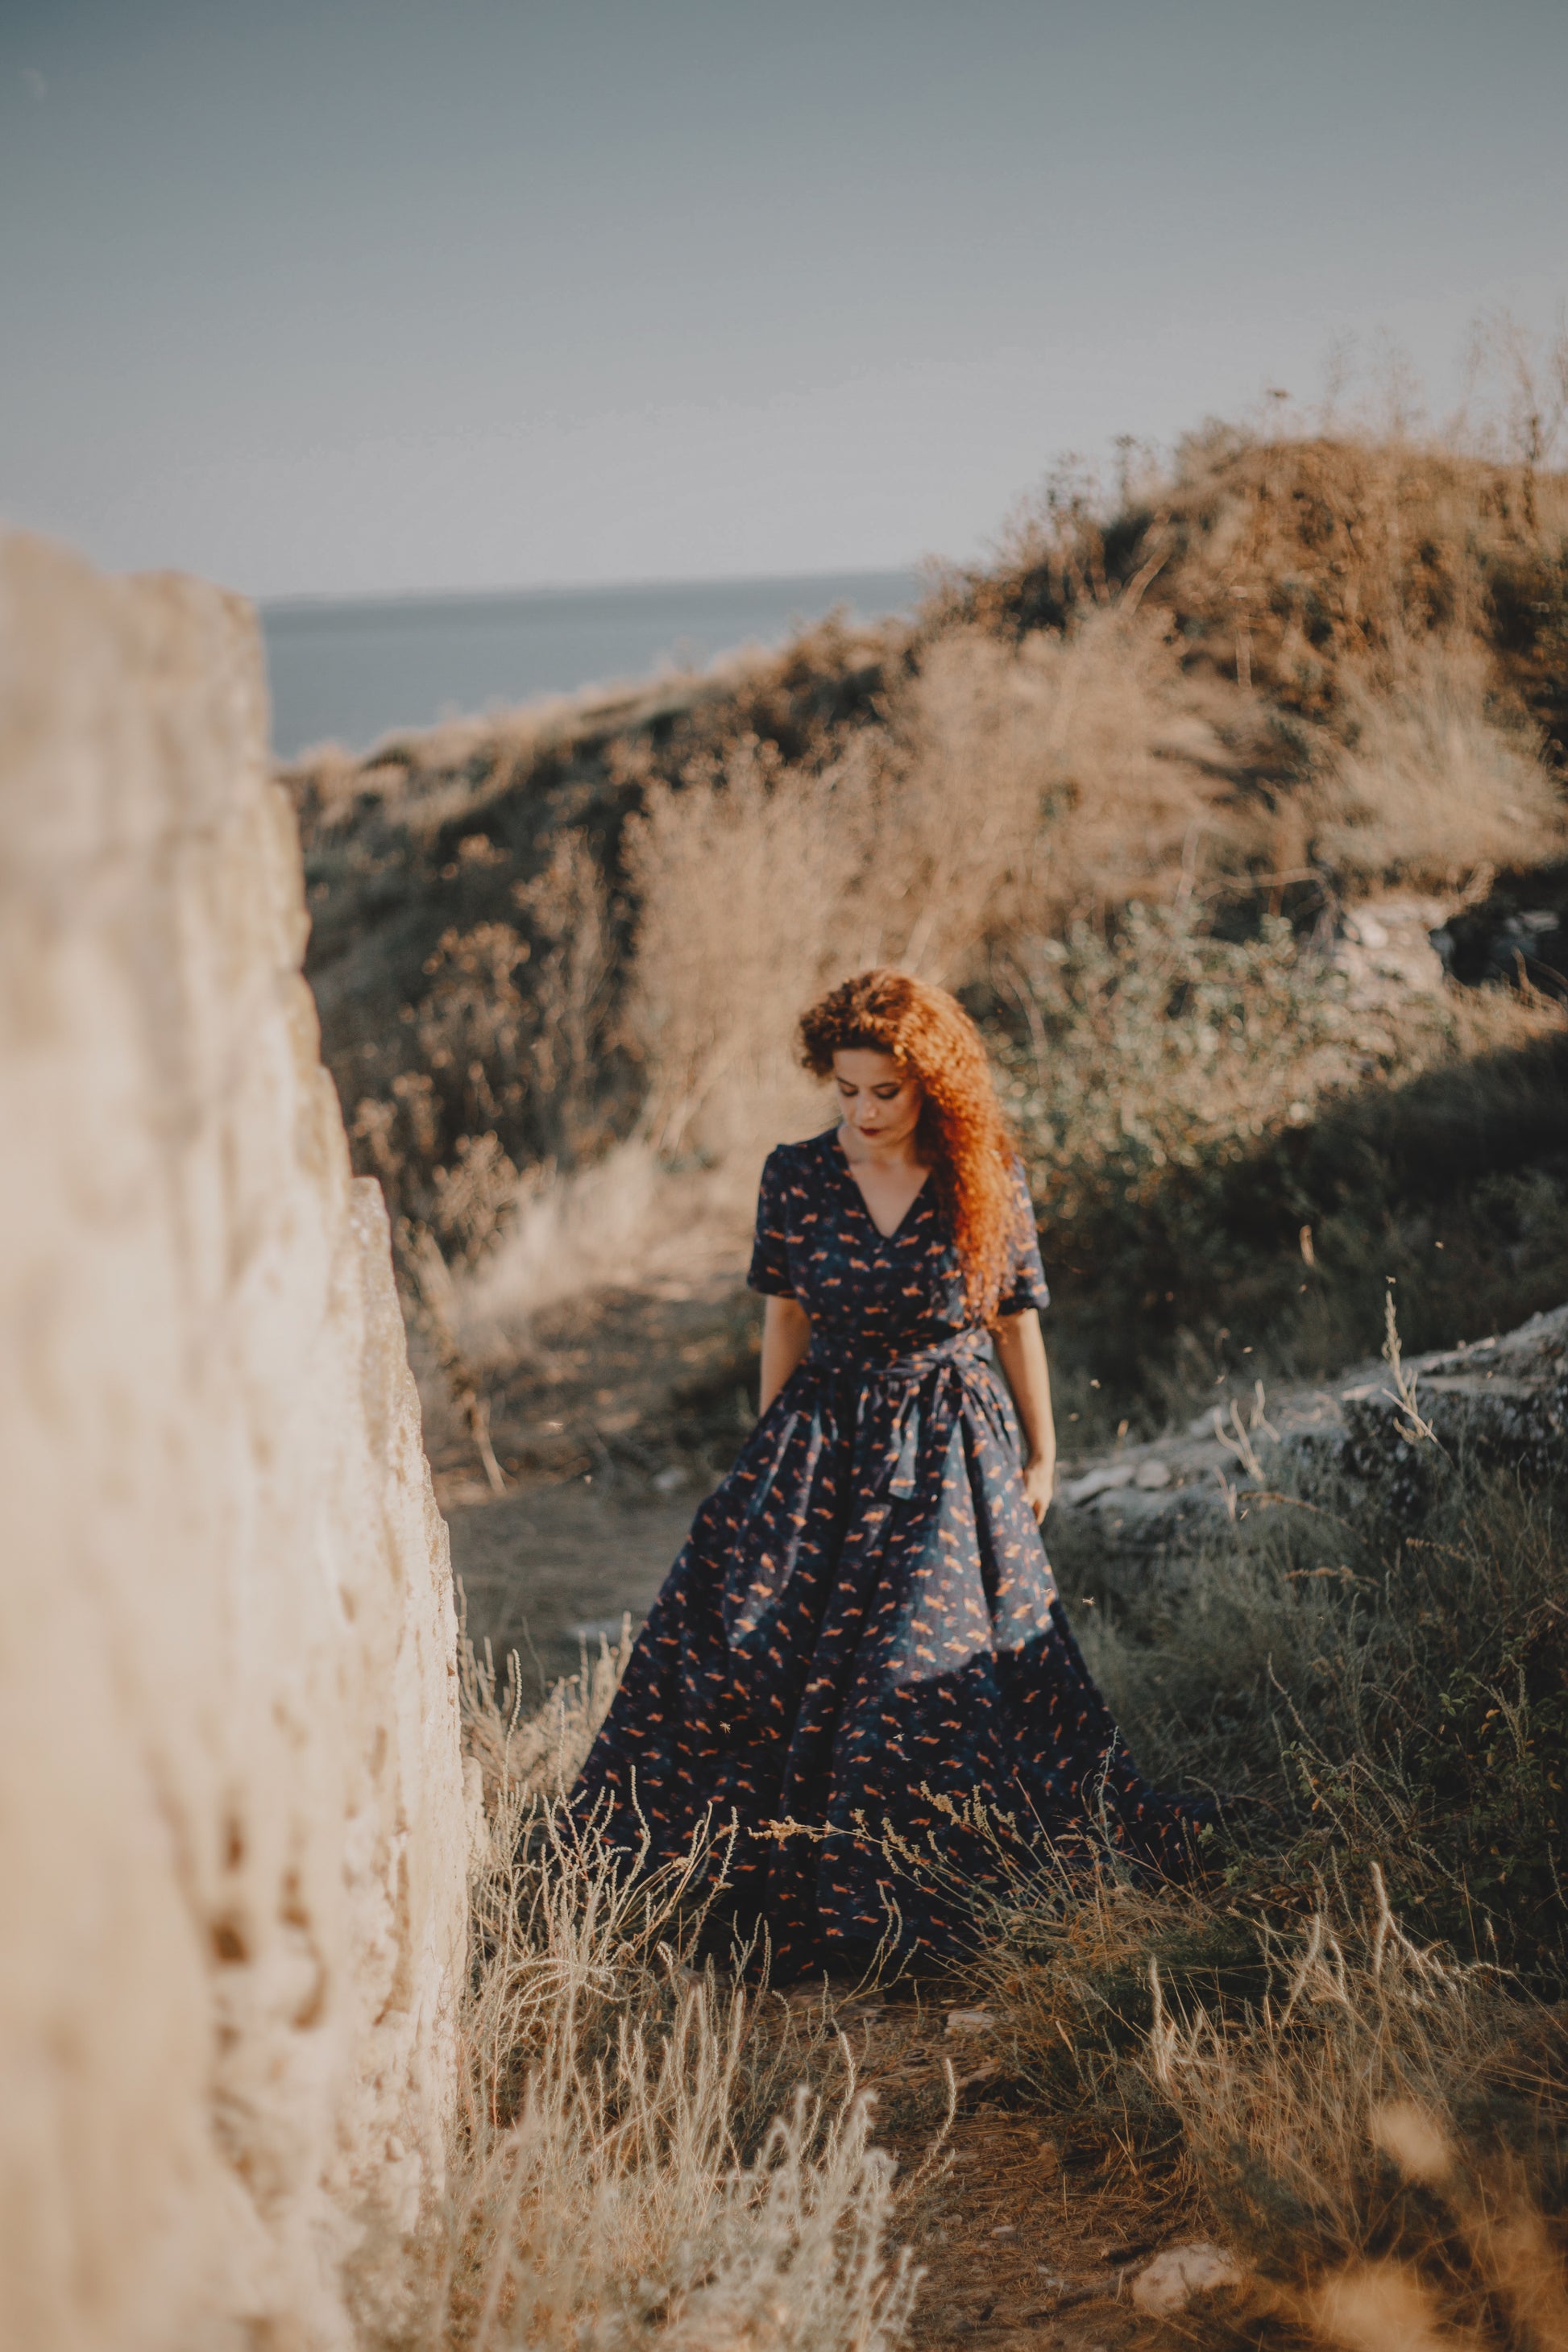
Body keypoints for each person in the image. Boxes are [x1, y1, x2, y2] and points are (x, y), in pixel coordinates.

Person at [570, 969, 1213, 1974]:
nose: (863, 1113)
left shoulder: (981, 1175)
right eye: (846, 1090)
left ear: (932, 1086)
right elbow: (783, 1316)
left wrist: (1043, 1452)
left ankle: (918, 1903)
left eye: (885, 1092)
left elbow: (1013, 1320)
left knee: (920, 1668)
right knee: (741, 1648)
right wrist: (764, 1464)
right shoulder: (793, 1176)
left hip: (947, 1447)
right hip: (819, 1439)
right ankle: (722, 1881)